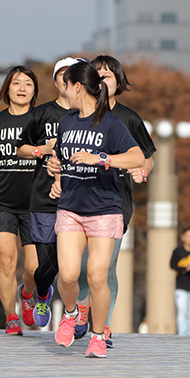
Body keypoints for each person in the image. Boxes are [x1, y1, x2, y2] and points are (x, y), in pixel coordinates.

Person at [50, 61, 143, 358]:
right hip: (71, 208)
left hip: (104, 209)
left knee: (97, 277)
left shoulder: (112, 123)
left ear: (77, 87)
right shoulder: (66, 121)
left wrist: (101, 159)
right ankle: (70, 313)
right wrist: (56, 167)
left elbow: (137, 157)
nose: (64, 93)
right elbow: (62, 156)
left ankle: (99, 335)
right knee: (66, 275)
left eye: (66, 86)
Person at [70, 55, 156, 348]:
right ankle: (82, 308)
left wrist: (140, 171)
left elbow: (146, 158)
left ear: (118, 83)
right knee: (79, 267)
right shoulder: (75, 116)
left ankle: (103, 326)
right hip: (77, 202)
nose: (102, 80)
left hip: (114, 203)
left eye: (108, 76)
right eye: (97, 75)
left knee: (105, 268)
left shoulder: (128, 119)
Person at [17, 57, 83, 329]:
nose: (67, 80)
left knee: (72, 267)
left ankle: (75, 314)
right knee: (44, 267)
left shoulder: (92, 117)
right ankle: (41, 293)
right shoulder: (42, 114)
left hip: (80, 201)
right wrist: (42, 150)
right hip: (44, 198)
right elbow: (21, 147)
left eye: (74, 75)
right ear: (56, 81)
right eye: (62, 75)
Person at [0, 66, 39, 335]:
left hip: (37, 204)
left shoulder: (43, 120)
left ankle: (27, 294)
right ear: (7, 89)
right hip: (3, 202)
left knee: (34, 268)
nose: (22, 88)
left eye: (28, 84)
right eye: (16, 83)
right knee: (6, 260)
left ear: (34, 90)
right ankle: (11, 317)